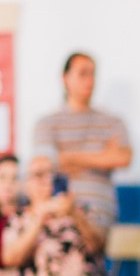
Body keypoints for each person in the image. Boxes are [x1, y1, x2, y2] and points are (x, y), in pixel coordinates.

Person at [2, 156, 121, 276]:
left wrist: (73, 213)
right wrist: (39, 220)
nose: (48, 180)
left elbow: (98, 246)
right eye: (39, 175)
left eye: (54, 174)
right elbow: (11, 259)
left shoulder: (81, 211)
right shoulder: (19, 219)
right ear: (26, 184)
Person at [33, 52, 132, 236]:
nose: (90, 80)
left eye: (93, 74)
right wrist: (102, 156)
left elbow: (123, 157)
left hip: (98, 214)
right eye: (82, 73)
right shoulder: (46, 123)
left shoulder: (112, 122)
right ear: (65, 78)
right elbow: (45, 164)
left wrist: (69, 157)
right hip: (57, 210)